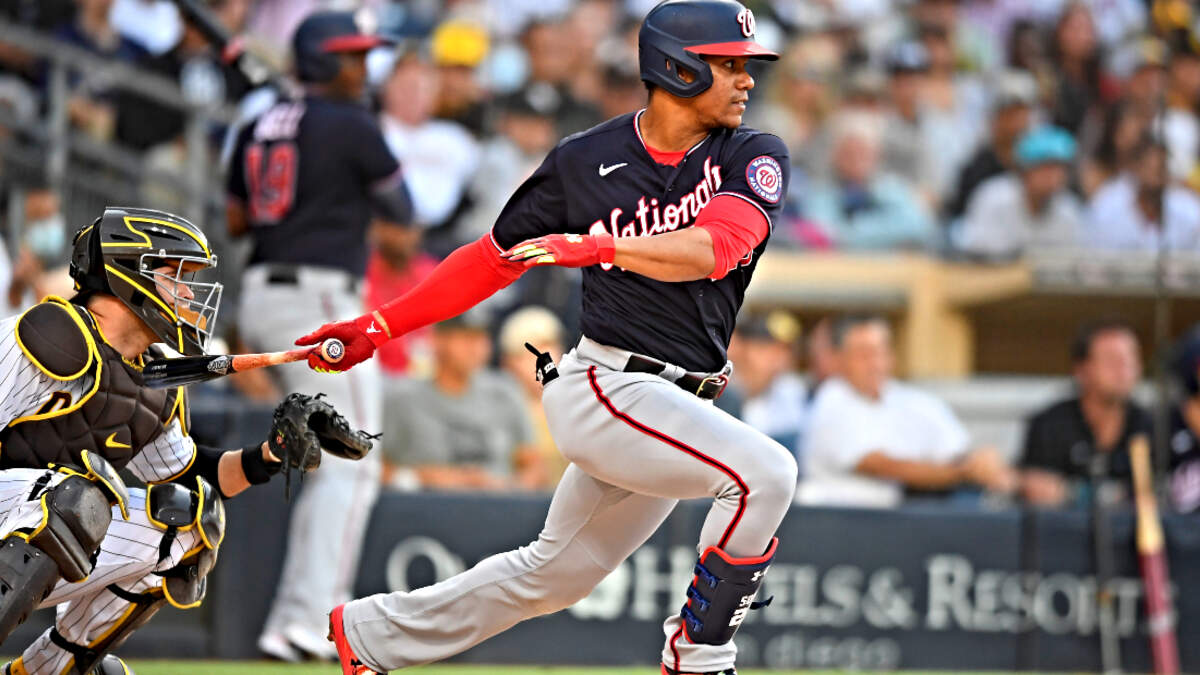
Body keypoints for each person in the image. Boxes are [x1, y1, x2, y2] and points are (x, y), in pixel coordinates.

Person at [302, 2, 797, 674]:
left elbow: (717, 247)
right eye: (728, 64)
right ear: (677, 67)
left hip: (679, 403)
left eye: (747, 66)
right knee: (765, 473)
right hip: (607, 384)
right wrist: (379, 324)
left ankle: (370, 635)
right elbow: (490, 259)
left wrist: (599, 247)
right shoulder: (586, 159)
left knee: (555, 574)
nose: (746, 80)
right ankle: (699, 656)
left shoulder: (752, 152)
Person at [0, 207, 303, 675]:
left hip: (23, 524)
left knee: (190, 519)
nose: (188, 293)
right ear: (128, 273)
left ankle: (43, 672)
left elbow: (190, 475)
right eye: (176, 276)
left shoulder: (150, 379)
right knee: (72, 500)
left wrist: (270, 455)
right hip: (25, 513)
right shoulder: (49, 336)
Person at [223, 11, 412, 662]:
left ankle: (302, 618)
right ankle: (308, 621)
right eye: (352, 57)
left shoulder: (257, 122)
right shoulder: (353, 124)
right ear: (323, 61)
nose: (364, 70)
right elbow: (406, 215)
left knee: (334, 460)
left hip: (264, 294)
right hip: (322, 294)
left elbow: (238, 216)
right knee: (354, 459)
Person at [798, 315, 1016, 508]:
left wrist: (982, 463)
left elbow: (957, 452)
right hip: (840, 524)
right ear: (839, 359)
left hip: (905, 522)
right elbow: (881, 465)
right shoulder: (830, 400)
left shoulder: (914, 401)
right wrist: (962, 473)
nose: (875, 364)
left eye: (881, 352)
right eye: (863, 354)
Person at [379, 313, 544, 492]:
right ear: (439, 340)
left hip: (495, 511)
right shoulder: (402, 399)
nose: (476, 347)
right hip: (424, 511)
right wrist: (420, 478)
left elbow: (534, 467)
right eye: (466, 338)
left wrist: (505, 487)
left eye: (482, 337)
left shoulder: (504, 392)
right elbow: (374, 470)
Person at [1020, 320, 1151, 508]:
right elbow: (1036, 489)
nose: (1124, 369)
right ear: (1082, 370)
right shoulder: (1050, 425)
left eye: (1131, 358)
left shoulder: (1150, 424)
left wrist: (1070, 492)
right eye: (1111, 360)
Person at [956, 125, 1083, 260]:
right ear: (1025, 170)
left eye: (1060, 169)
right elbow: (974, 254)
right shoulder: (993, 198)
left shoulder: (1069, 210)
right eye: (1046, 167)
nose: (1054, 176)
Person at [1088, 136, 1200, 252]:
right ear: (1135, 168)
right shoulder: (1107, 208)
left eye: (1160, 169)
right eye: (1149, 167)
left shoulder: (1188, 211)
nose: (1155, 178)